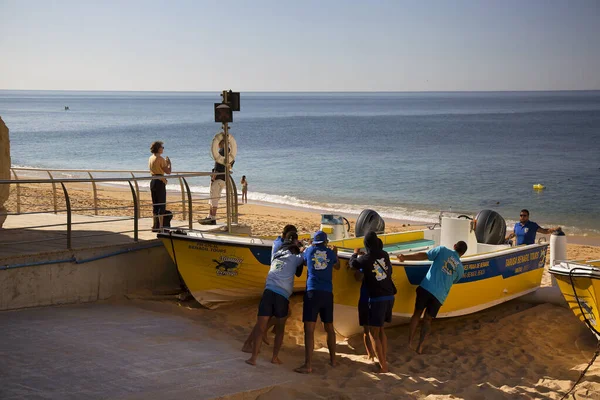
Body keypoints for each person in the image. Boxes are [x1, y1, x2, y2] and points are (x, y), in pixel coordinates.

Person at [245, 232, 305, 366]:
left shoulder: (275, 254)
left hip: (268, 291)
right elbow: (305, 256)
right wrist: (302, 248)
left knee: (260, 327)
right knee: (280, 328)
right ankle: (274, 357)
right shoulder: (296, 258)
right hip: (282, 295)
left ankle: (253, 358)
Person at [397, 241, 467, 354]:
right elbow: (453, 280)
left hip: (426, 287)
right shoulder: (460, 269)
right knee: (428, 320)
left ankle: (409, 342)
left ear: (454, 246)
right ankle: (420, 347)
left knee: (417, 314)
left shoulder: (442, 250)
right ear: (462, 254)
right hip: (439, 295)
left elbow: (424, 255)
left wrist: (404, 257)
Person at [295, 230, 340, 374]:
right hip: (327, 293)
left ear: (314, 241)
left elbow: (302, 259)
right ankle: (333, 360)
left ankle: (308, 364)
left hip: (312, 292)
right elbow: (337, 266)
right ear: (326, 242)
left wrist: (304, 247)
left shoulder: (309, 251)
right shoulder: (331, 253)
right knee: (329, 328)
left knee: (309, 330)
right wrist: (335, 253)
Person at [349, 232, 395, 372]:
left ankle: (383, 366)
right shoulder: (385, 255)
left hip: (376, 298)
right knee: (381, 330)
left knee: (372, 333)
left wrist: (355, 253)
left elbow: (352, 265)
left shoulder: (365, 259)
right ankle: (382, 359)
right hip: (389, 296)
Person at [201, 140, 234, 225]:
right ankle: (210, 216)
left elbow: (217, 168)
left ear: (220, 144)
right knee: (214, 198)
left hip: (217, 178)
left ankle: (213, 218)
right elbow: (230, 166)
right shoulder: (230, 153)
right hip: (224, 179)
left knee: (213, 198)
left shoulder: (220, 152)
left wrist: (212, 179)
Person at [148, 141, 171, 232]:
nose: (163, 149)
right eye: (162, 147)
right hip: (160, 182)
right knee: (161, 204)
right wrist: (169, 163)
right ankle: (161, 226)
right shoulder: (160, 159)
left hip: (153, 181)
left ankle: (155, 225)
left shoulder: (151, 158)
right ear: (158, 148)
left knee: (155, 204)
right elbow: (168, 171)